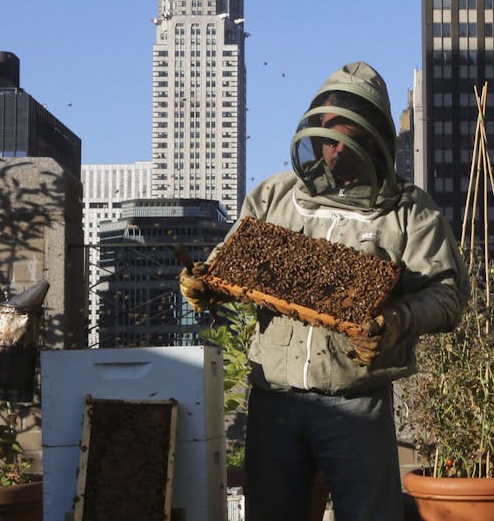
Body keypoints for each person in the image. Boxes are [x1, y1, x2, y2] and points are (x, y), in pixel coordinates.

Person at [178, 61, 469, 521]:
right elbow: (230, 265)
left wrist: (395, 321)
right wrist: (205, 283)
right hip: (275, 399)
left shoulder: (410, 212)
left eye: (347, 139)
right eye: (328, 139)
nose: (335, 152)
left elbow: (446, 295)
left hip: (356, 402)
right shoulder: (274, 197)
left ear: (374, 138)